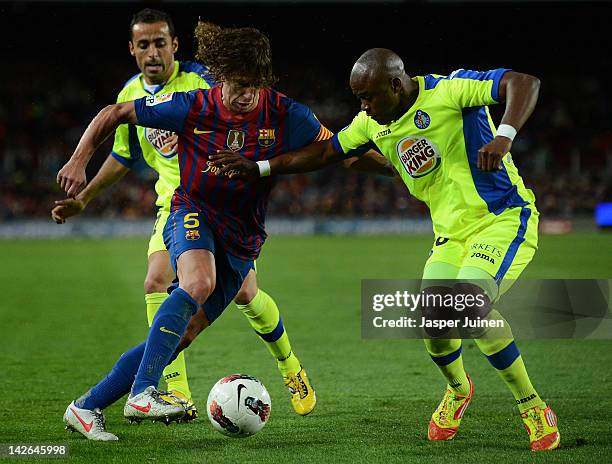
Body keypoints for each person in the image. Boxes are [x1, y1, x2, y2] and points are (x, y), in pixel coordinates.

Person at [210, 48, 560, 451]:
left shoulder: (451, 90)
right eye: (358, 97)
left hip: (501, 219)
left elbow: (523, 82)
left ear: (396, 85)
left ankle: (532, 405)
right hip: (449, 236)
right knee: (435, 330)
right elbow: (328, 152)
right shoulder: (370, 124)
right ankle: (459, 390)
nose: (363, 105)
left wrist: (504, 136)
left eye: (369, 96)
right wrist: (260, 167)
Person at [56, 13, 318, 440]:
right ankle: (152, 392)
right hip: (187, 207)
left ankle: (87, 407)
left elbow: (334, 148)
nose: (243, 95)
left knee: (190, 327)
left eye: (160, 42)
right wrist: (80, 172)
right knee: (180, 282)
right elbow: (120, 138)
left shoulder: (241, 97)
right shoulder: (176, 101)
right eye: (144, 45)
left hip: (241, 232)